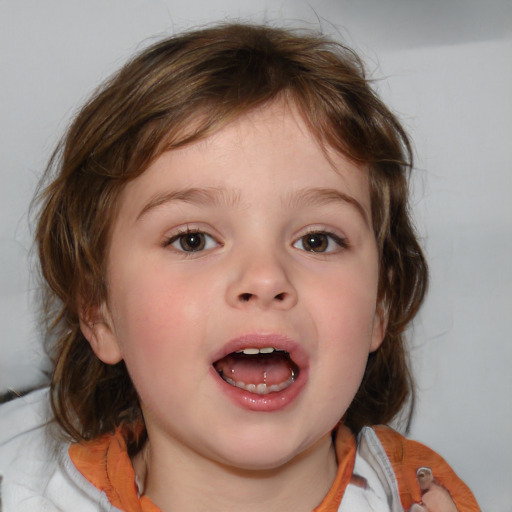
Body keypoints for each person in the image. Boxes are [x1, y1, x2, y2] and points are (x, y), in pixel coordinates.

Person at [0, 22, 479, 512]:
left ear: (381, 304)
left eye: (316, 241)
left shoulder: (422, 497)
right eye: (193, 240)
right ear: (99, 312)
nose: (266, 278)